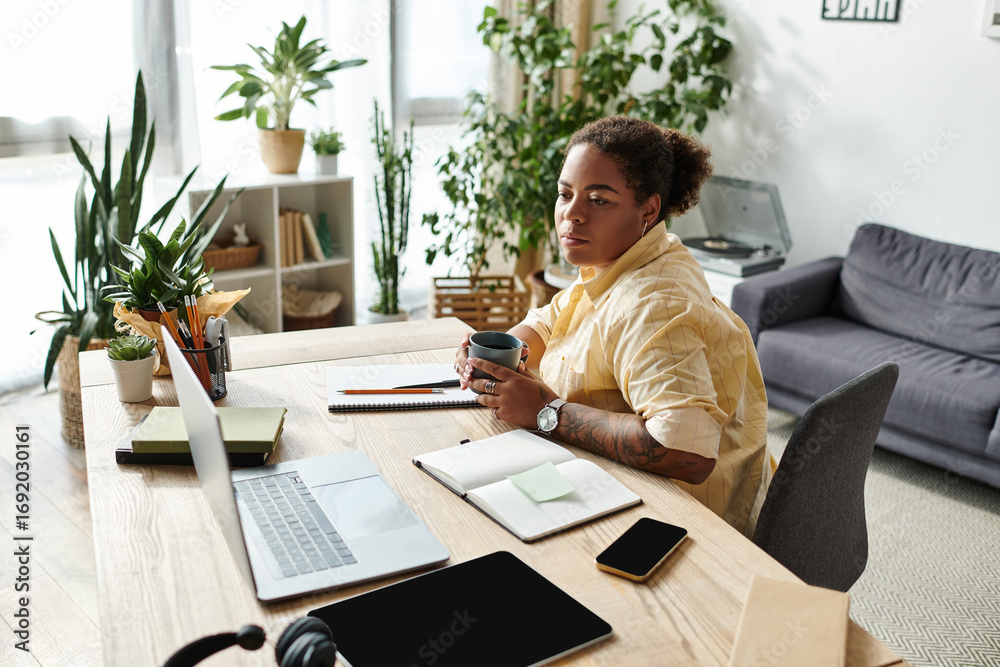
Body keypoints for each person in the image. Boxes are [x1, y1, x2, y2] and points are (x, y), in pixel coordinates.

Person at [454, 116, 770, 535]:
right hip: (610, 486)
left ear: (648, 210)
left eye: (599, 200)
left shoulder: (654, 304)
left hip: (679, 524)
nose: (572, 214)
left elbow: (686, 452)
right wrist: (500, 355)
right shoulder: (629, 258)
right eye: (565, 194)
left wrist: (547, 412)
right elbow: (550, 321)